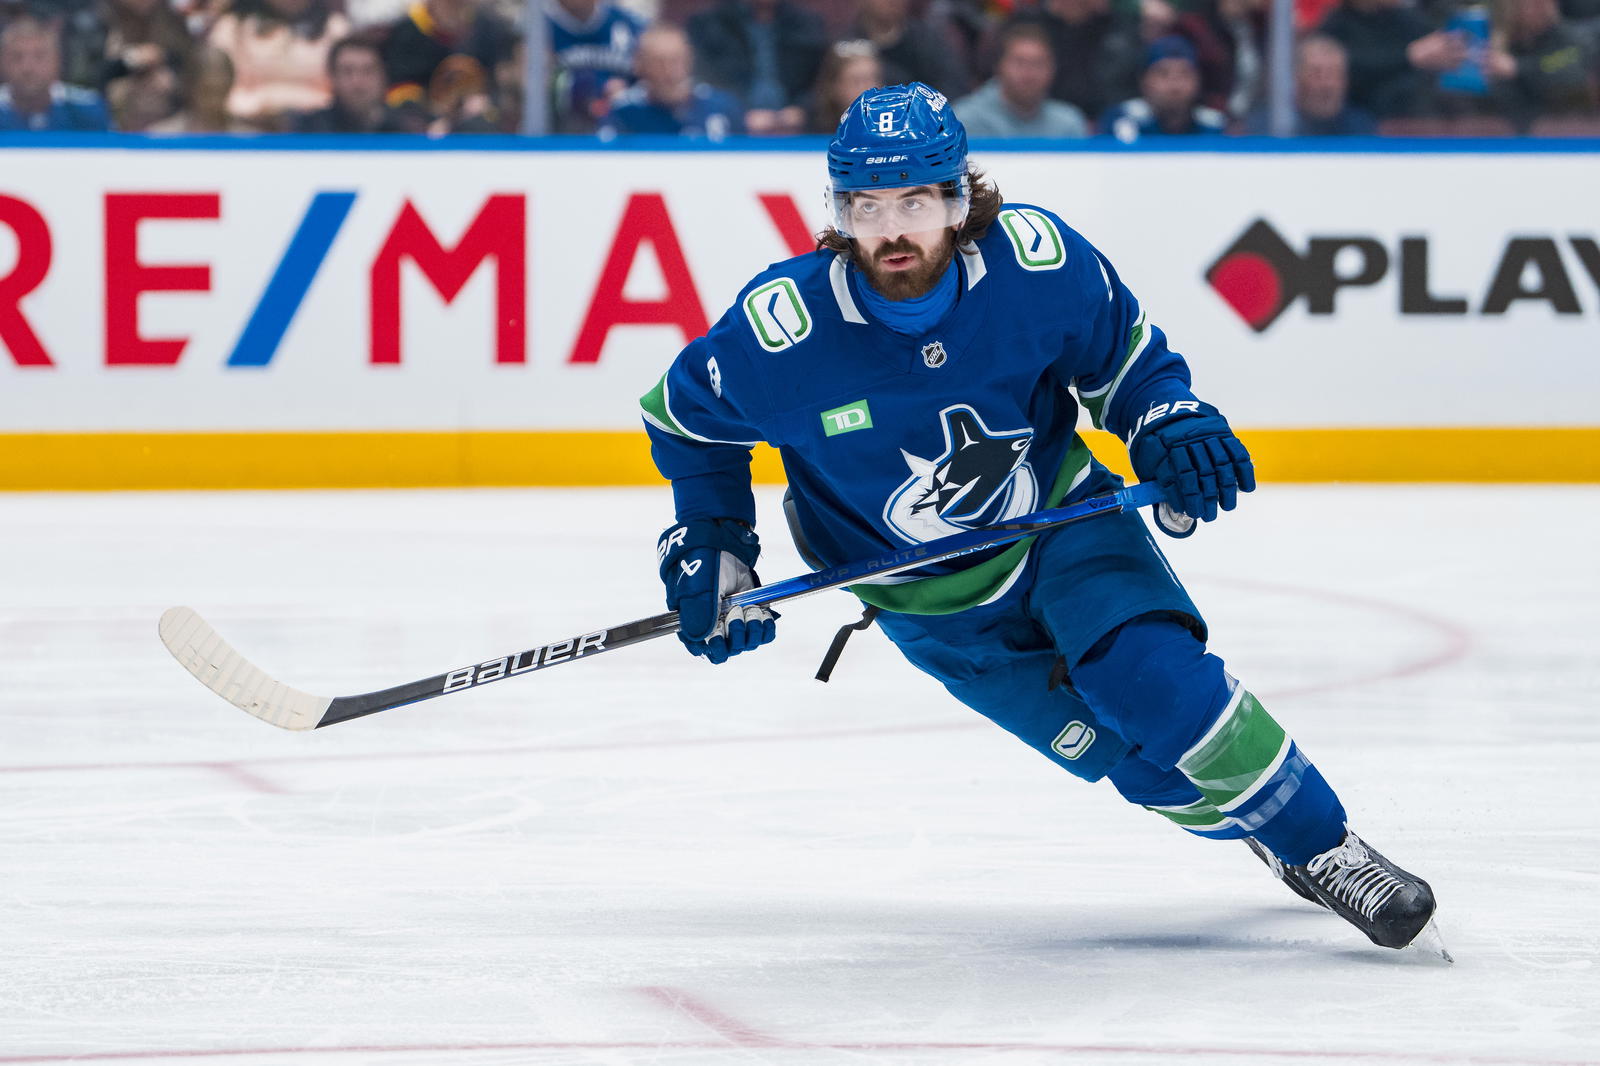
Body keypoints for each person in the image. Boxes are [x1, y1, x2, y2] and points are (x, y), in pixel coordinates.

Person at [638, 82, 1442, 956]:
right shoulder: (783, 333)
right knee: (1143, 769)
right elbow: (683, 424)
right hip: (928, 606)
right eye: (867, 207)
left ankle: (1326, 848)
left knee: (1153, 683)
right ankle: (1261, 827)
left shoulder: (1035, 263)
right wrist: (712, 539)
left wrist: (1166, 419)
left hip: (1064, 523)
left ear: (958, 199)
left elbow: (1127, 363)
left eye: (914, 203)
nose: (891, 230)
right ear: (839, 211)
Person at [686, 0, 825, 135]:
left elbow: (823, 77)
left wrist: (803, 110)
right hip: (731, 127)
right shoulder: (708, 24)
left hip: (798, 128)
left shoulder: (808, 24)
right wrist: (738, 113)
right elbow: (705, 77)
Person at [206, 0, 351, 129]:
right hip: (243, 123)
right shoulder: (233, 26)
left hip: (321, 125)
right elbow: (216, 80)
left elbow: (347, 86)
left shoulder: (336, 27)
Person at [1316, 0, 1469, 118]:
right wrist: (1409, 56)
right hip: (1367, 121)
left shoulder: (1407, 20)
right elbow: (1354, 69)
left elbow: (1440, 46)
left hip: (1428, 119)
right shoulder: (1336, 25)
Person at [601, 22, 743, 139]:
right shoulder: (623, 114)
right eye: (659, 63)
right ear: (639, 66)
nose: (670, 72)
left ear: (690, 60)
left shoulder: (720, 108)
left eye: (676, 61)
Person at [954, 21, 1088, 137]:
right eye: (1019, 62)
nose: (1029, 73)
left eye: (1038, 63)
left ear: (1053, 69)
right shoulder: (964, 121)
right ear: (998, 66)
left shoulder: (1068, 124)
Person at [1099, 35, 1228, 140]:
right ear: (1144, 81)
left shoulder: (1214, 126)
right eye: (1163, 73)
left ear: (1198, 81)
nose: (1175, 84)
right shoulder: (1123, 120)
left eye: (1185, 73)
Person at [1243, 34, 1376, 134]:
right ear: (1297, 78)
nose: (1326, 84)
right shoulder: (1269, 126)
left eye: (1334, 74)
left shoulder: (1362, 128)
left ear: (1346, 80)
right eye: (1316, 74)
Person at [547, 0, 645, 133]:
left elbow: (652, 80)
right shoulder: (539, 28)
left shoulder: (630, 24)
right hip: (561, 128)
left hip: (627, 126)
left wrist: (629, 92)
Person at [0, 14, 111, 129]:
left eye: (39, 56)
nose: (28, 67)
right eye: (17, 57)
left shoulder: (88, 108)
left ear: (57, 62)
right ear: (2, 63)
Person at [293, 34, 410, 131]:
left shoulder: (407, 128)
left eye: (368, 71)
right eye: (347, 71)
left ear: (383, 76)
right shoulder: (310, 130)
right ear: (332, 78)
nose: (358, 82)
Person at [806, 37, 883, 134]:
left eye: (874, 78)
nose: (870, 88)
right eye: (857, 81)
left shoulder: (895, 126)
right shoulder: (808, 126)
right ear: (834, 86)